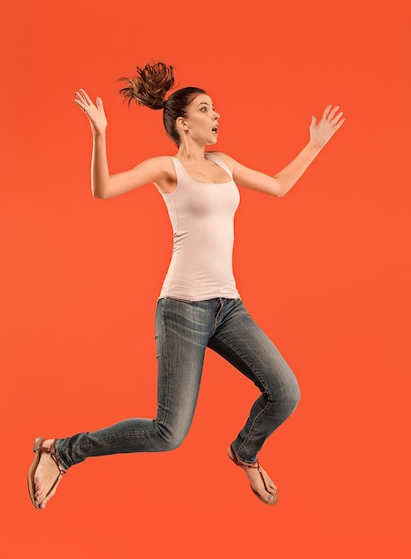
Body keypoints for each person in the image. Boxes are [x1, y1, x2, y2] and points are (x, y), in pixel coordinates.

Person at [27, 62, 345, 509]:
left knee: (285, 392)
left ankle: (245, 452)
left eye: (215, 108)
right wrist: (100, 135)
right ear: (182, 122)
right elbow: (104, 189)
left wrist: (315, 144)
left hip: (228, 307)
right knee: (168, 434)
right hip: (183, 309)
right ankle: (60, 451)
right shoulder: (167, 167)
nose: (216, 115)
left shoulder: (224, 163)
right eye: (205, 108)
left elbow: (277, 186)